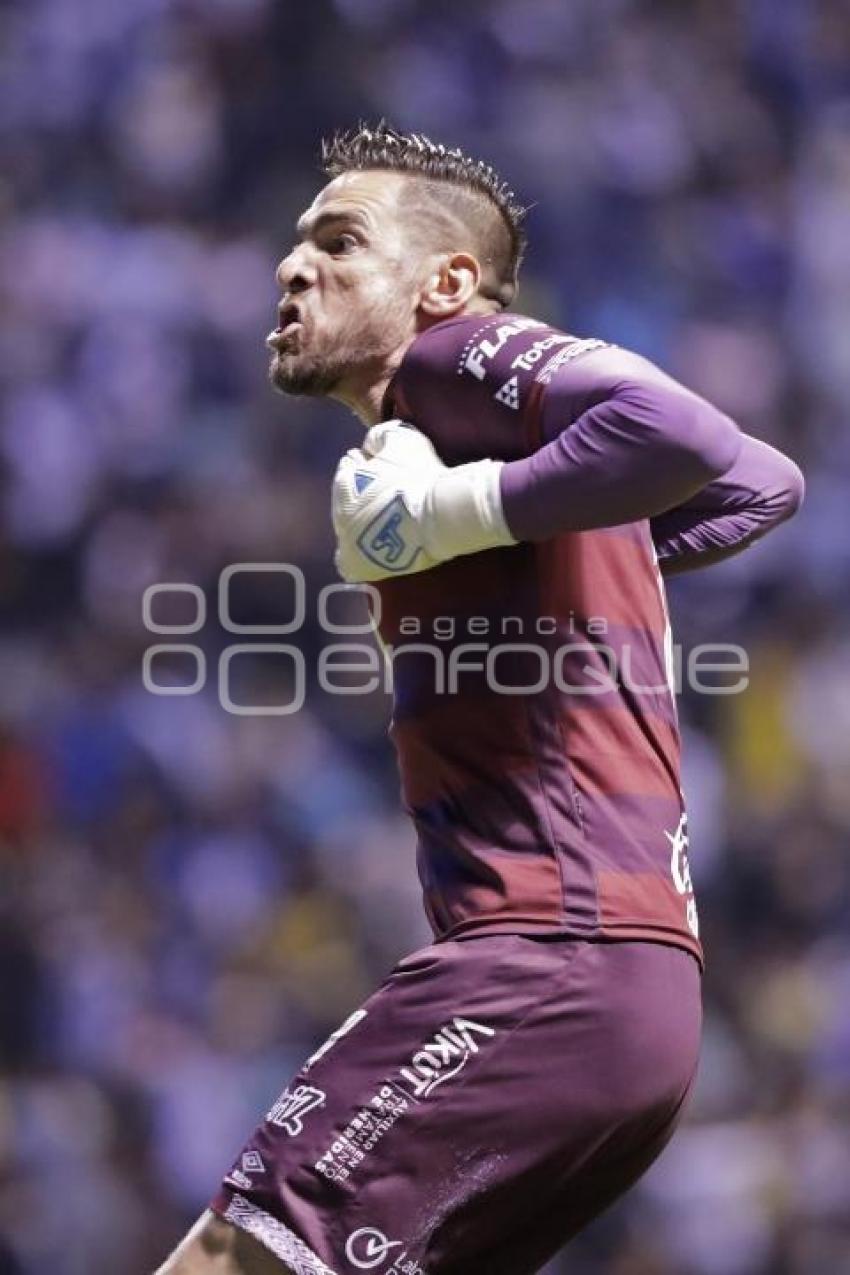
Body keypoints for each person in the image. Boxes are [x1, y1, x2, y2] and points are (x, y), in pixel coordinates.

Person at [157, 123, 803, 1275]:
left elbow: (691, 435)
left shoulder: (454, 364)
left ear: (446, 282)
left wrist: (463, 514)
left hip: (547, 955)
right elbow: (763, 483)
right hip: (629, 999)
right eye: (294, 249)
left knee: (230, 1259)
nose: (292, 268)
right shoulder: (475, 449)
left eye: (339, 243)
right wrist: (554, 518)